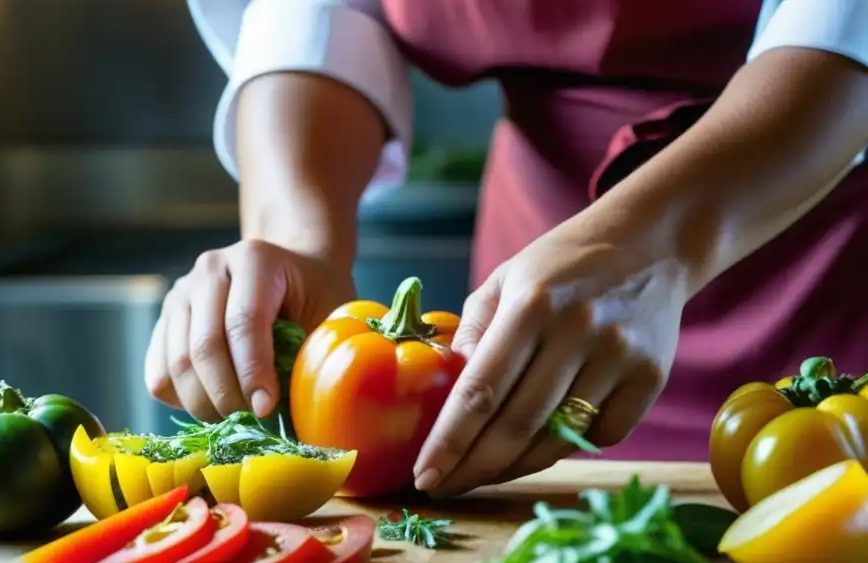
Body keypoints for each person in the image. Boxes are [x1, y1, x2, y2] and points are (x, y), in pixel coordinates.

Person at [145, 0, 868, 498]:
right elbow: (321, 11)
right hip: (532, 297)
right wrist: (294, 235)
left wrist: (650, 244)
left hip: (825, 258)